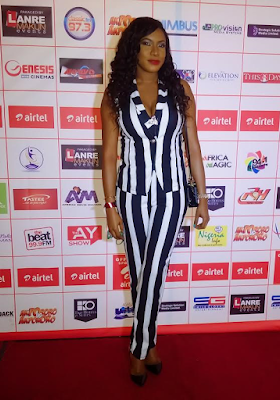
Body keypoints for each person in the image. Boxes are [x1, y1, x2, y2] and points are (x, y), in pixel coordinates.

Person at [101, 17, 209, 386]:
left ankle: (136, 350)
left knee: (154, 271)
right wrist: (109, 205)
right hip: (130, 197)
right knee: (140, 274)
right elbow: (109, 154)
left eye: (161, 44)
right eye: (147, 43)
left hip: (172, 195)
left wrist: (203, 198)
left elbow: (193, 147)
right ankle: (150, 346)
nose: (155, 51)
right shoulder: (115, 94)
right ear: (133, 47)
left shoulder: (180, 89)